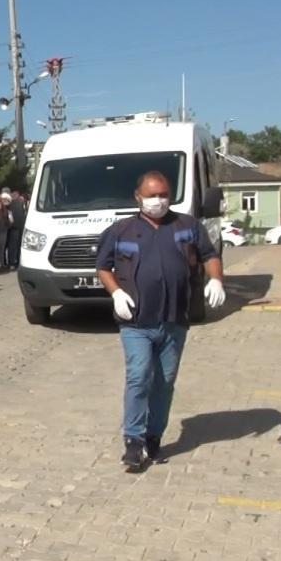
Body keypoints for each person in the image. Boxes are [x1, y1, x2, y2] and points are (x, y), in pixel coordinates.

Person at [96, 171, 226, 471]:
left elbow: (209, 255)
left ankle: (153, 437)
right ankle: (133, 440)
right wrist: (115, 292)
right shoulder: (121, 231)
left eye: (164, 194)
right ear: (138, 197)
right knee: (139, 376)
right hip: (136, 322)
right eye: (152, 195)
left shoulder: (187, 226)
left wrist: (216, 279)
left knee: (164, 383)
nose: (159, 200)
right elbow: (103, 266)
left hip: (174, 320)